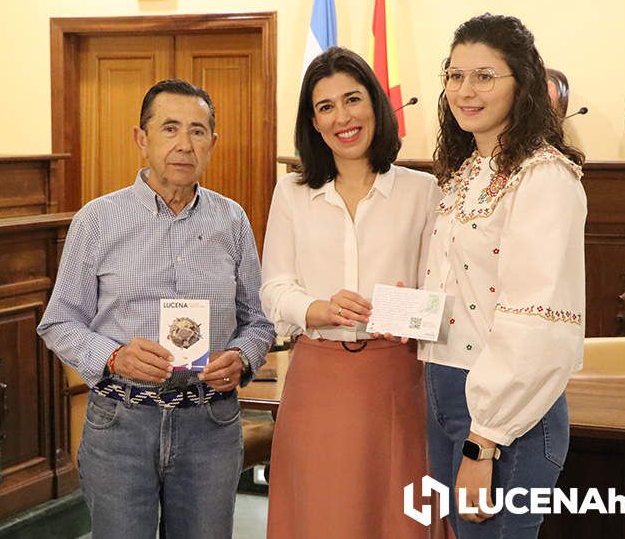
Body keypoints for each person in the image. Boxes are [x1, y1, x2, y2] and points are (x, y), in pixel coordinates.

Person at [37, 79, 275, 539]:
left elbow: (259, 321)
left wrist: (243, 357)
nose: (184, 144)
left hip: (210, 424)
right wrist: (112, 355)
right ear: (141, 139)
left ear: (212, 143)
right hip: (121, 423)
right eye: (170, 129)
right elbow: (60, 320)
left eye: (198, 131)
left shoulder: (233, 220)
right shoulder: (97, 220)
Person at [261, 46, 440, 538]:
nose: (342, 117)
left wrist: (396, 309)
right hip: (317, 381)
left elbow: (441, 302)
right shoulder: (292, 193)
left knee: (397, 517)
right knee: (320, 515)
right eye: (325, 107)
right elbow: (273, 288)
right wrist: (315, 309)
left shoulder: (423, 192)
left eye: (352, 99)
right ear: (313, 123)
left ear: (376, 106)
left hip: (397, 380)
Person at [420, 13, 586, 538]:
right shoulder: (469, 169)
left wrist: (483, 439)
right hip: (444, 383)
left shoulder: (545, 179)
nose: (465, 90)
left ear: (524, 83)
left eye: (484, 76)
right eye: (454, 75)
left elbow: (535, 322)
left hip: (505, 409)